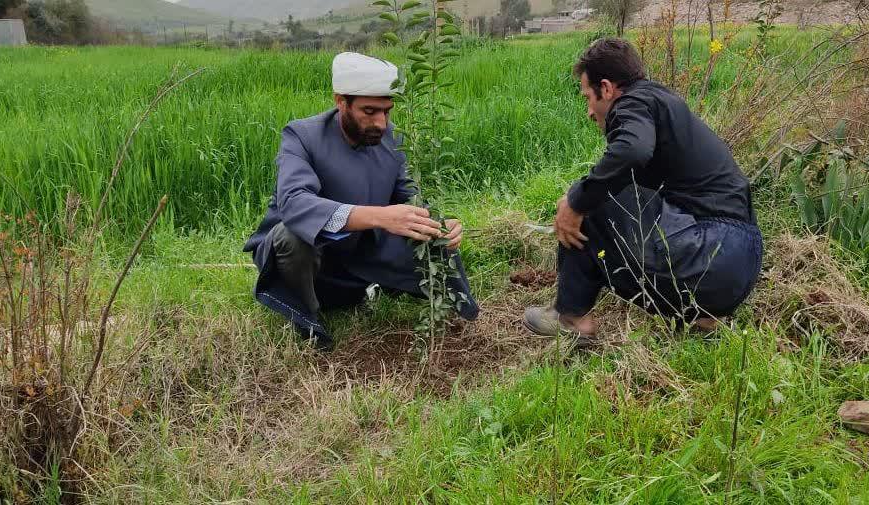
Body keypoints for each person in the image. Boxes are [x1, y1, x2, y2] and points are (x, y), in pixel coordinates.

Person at [523, 38, 763, 345]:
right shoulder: (659, 101)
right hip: (738, 263)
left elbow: (632, 151)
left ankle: (571, 318)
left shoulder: (632, 103)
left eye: (587, 97)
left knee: (592, 198)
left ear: (607, 88)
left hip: (711, 251)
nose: (589, 112)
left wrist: (576, 201)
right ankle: (703, 322)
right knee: (606, 191)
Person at [244, 52, 479, 350]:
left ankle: (395, 292)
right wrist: (379, 217)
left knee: (423, 229)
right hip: (310, 264)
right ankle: (307, 316)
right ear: (341, 101)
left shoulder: (392, 139)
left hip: (360, 256)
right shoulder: (302, 136)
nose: (381, 123)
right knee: (292, 236)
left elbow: (410, 198)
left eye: (387, 112)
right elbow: (293, 202)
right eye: (369, 111)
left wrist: (440, 225)